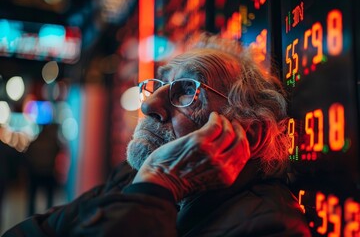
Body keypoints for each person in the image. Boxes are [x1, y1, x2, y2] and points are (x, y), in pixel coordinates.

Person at [3, 33, 311, 236]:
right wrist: (155, 186)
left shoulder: (271, 227)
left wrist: (157, 188)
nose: (150, 104)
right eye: (159, 85)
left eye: (188, 90)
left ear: (250, 134)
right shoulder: (134, 175)